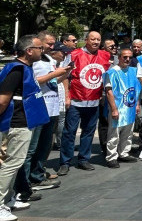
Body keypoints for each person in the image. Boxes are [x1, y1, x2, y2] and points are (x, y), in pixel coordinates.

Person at [0, 35, 49, 219]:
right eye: (39, 48)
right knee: (12, 163)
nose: (41, 51)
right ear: (29, 51)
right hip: (17, 123)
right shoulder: (17, 70)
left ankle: (9, 197)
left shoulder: (24, 68)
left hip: (24, 122)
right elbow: (3, 100)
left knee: (15, 162)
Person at [14, 32, 66, 201]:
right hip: (36, 109)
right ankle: (25, 182)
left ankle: (38, 174)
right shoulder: (30, 63)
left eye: (53, 44)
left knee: (45, 146)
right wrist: (55, 74)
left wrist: (64, 73)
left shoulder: (50, 60)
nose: (52, 47)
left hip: (51, 108)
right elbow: (34, 81)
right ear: (38, 43)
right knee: (31, 148)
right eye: (49, 44)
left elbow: (53, 82)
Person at [59, 31, 111, 175]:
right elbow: (64, 76)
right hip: (76, 100)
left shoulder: (105, 56)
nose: (95, 42)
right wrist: (67, 97)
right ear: (86, 40)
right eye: (92, 39)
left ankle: (83, 159)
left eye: (98, 39)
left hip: (94, 101)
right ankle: (65, 162)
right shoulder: (74, 54)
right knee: (69, 132)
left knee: (88, 132)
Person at [103, 48, 141, 167]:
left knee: (128, 132)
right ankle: (111, 157)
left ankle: (124, 153)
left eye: (130, 57)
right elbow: (109, 92)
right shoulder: (111, 72)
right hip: (118, 107)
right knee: (114, 133)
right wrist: (114, 109)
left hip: (130, 107)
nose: (127, 59)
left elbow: (137, 90)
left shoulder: (134, 71)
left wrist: (137, 104)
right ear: (119, 57)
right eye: (125, 57)